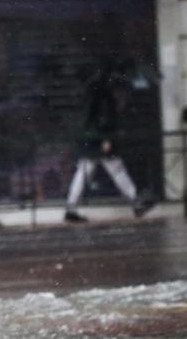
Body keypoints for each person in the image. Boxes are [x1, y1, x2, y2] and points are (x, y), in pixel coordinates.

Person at [64, 67, 154, 223]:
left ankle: (71, 208)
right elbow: (104, 120)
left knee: (83, 174)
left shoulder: (92, 94)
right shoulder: (105, 98)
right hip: (99, 141)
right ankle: (136, 203)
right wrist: (106, 139)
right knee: (117, 171)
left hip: (90, 141)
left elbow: (89, 119)